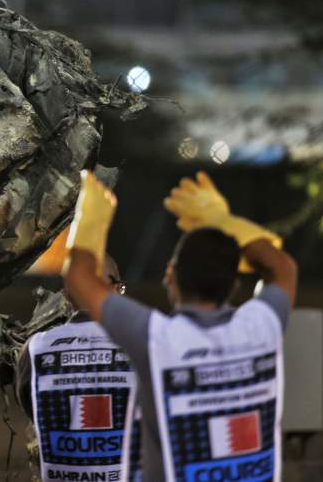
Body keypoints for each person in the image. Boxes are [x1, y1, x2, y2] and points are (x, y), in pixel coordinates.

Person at [61, 171, 298, 482]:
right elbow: (281, 266)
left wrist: (90, 221)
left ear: (170, 276)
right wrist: (225, 223)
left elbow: (79, 279)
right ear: (233, 283)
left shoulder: (157, 340)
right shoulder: (262, 328)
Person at [15, 257, 142, 482]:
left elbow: (31, 408)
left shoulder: (36, 348)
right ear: (112, 290)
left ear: (66, 295)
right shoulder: (143, 345)